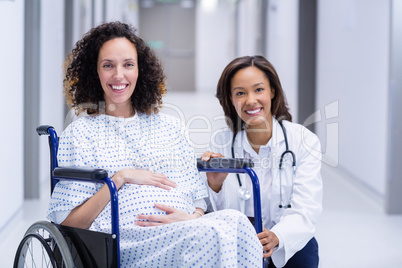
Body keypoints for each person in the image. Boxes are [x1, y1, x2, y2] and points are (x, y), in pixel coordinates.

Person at [47, 22, 262, 267]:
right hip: (126, 239)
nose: (119, 75)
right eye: (108, 66)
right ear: (94, 72)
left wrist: (191, 217)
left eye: (128, 64)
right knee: (208, 237)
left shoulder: (170, 126)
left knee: (238, 223)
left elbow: (197, 197)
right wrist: (120, 178)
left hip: (184, 228)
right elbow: (68, 223)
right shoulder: (80, 133)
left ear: (141, 71)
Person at [201, 55, 323, 268]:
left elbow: (307, 209)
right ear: (230, 99)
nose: (250, 100)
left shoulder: (303, 141)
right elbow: (215, 214)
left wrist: (276, 236)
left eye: (259, 90)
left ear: (272, 91)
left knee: (304, 249)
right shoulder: (221, 143)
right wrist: (216, 184)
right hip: (239, 246)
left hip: (288, 246)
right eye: (240, 93)